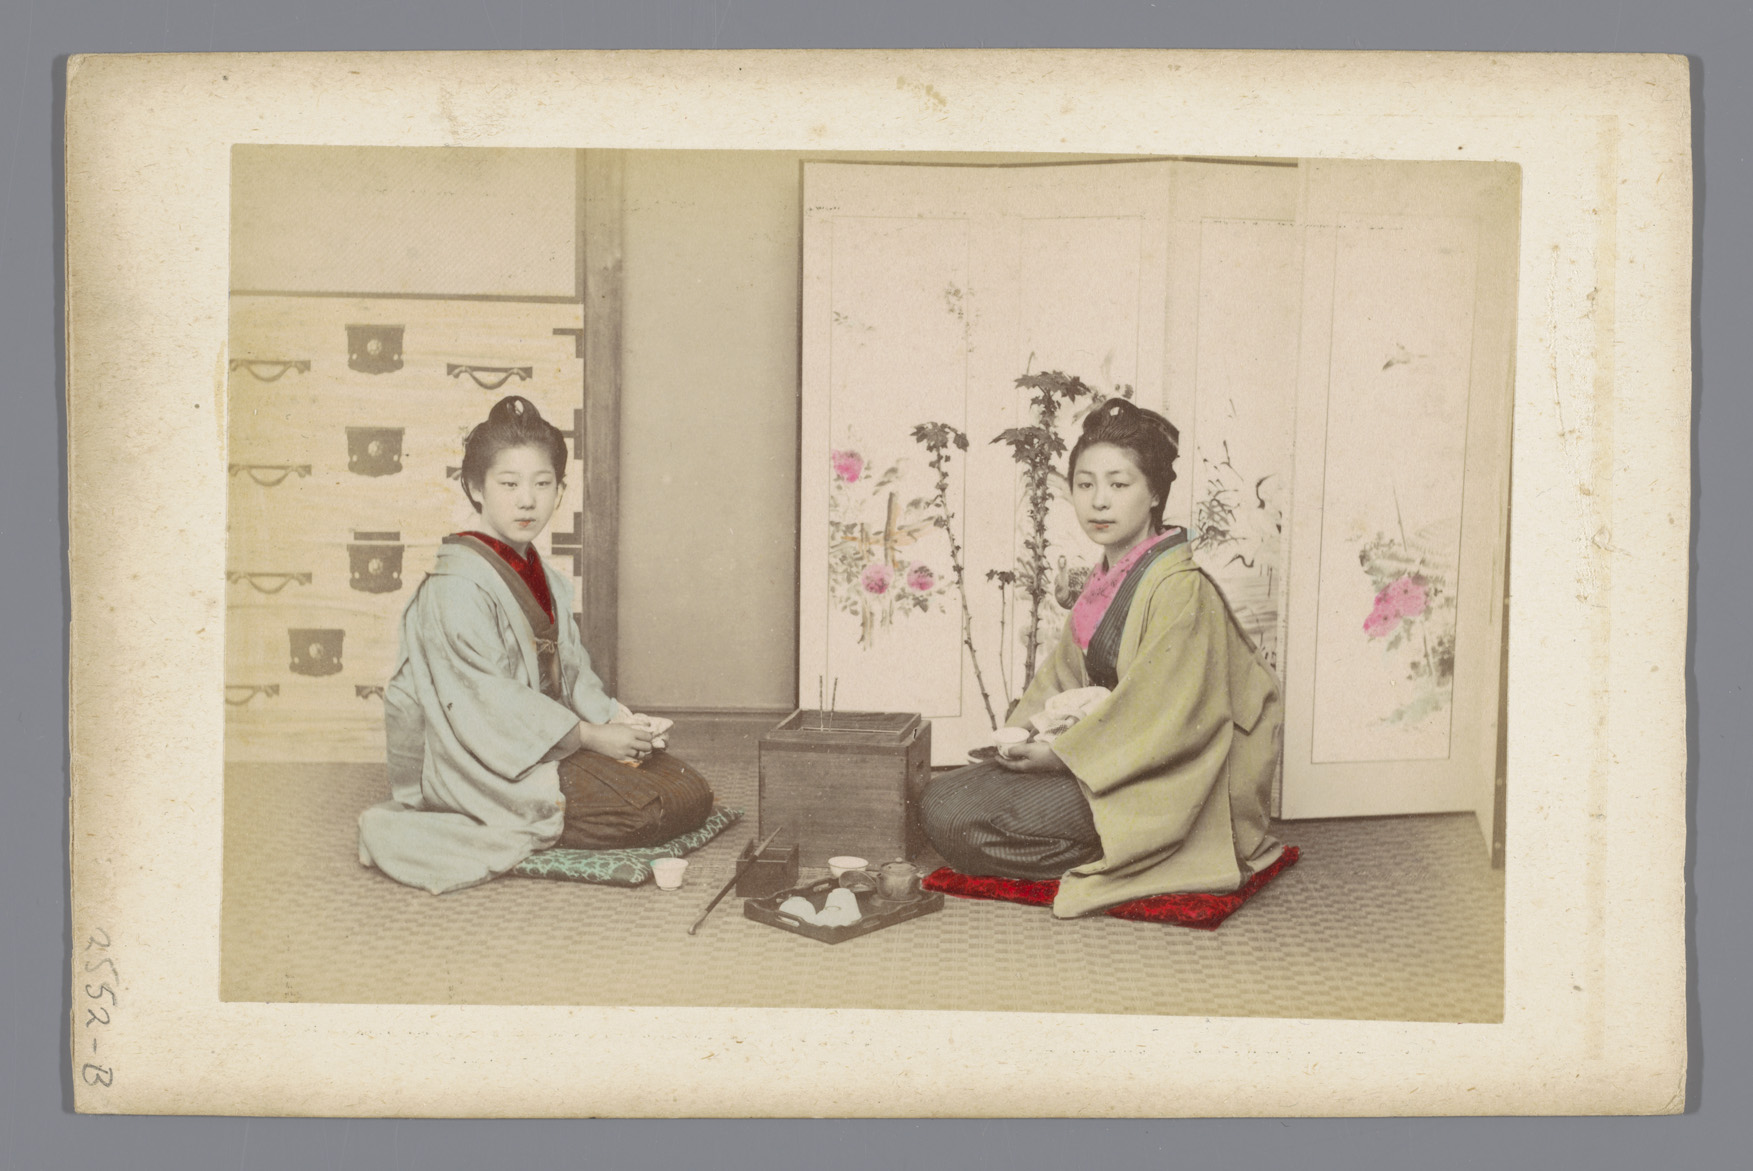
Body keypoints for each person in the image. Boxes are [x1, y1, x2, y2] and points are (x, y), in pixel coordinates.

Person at [919, 398, 1284, 919]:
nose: (1099, 502)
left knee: (960, 824)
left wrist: (1062, 756)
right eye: (1085, 484)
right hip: (1106, 752)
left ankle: (1134, 851)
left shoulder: (1180, 588)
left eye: (1119, 484)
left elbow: (1165, 718)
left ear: (1154, 493)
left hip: (1169, 773)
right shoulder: (1108, 577)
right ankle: (1107, 840)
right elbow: (1062, 678)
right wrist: (1026, 735)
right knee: (939, 800)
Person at [357, 395, 714, 894]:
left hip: (547, 742)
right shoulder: (454, 586)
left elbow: (571, 670)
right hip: (484, 760)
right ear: (475, 488)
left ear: (560, 490)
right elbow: (488, 701)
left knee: (691, 793)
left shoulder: (539, 572)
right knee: (648, 809)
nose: (527, 500)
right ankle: (451, 817)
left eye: (542, 484)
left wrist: (617, 722)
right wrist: (590, 737)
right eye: (509, 484)